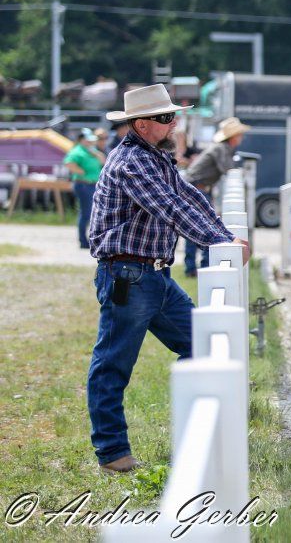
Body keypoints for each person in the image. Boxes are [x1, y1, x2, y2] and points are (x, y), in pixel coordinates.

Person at [87, 84, 249, 473]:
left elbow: (188, 197)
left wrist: (223, 236)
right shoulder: (132, 162)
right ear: (141, 124)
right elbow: (171, 208)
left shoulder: (153, 157)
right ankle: (112, 453)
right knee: (113, 365)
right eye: (165, 117)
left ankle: (193, 430)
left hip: (152, 274)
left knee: (203, 345)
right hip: (130, 275)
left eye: (173, 115)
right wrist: (219, 241)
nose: (173, 122)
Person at [182, 117, 252, 277]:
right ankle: (202, 266)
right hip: (197, 189)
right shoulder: (221, 149)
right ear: (233, 137)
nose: (241, 138)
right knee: (205, 226)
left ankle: (193, 267)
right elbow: (227, 169)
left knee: (195, 226)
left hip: (197, 189)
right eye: (239, 135)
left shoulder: (221, 148)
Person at [64, 128, 107, 248]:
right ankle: (83, 241)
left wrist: (97, 154)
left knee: (92, 213)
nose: (90, 142)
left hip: (92, 184)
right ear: (81, 140)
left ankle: (91, 239)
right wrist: (82, 173)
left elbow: (103, 161)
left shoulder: (91, 150)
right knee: (86, 213)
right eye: (87, 140)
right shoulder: (77, 151)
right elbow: (69, 163)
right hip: (83, 184)